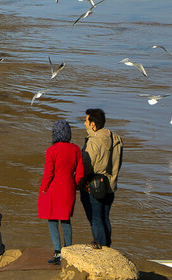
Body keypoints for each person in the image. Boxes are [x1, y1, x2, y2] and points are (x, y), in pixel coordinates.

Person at [38, 120, 84, 265]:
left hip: (53, 188)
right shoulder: (76, 149)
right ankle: (68, 249)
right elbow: (80, 172)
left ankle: (58, 251)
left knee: (52, 220)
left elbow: (48, 173)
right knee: (66, 219)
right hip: (68, 188)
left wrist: (44, 188)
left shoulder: (52, 150)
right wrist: (75, 184)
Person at [80, 108, 121, 247]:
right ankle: (107, 248)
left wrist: (78, 184)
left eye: (86, 120)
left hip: (94, 186)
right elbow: (117, 162)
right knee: (105, 218)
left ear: (93, 124)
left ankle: (101, 249)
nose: (84, 123)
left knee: (96, 219)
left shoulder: (93, 141)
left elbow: (87, 166)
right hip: (110, 185)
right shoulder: (115, 139)